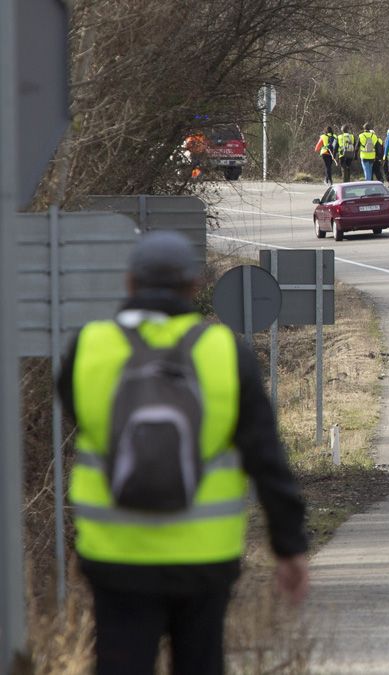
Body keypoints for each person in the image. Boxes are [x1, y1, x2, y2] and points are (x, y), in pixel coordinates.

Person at [58, 232, 309, 675]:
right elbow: (265, 457)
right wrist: (288, 547)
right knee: (201, 662)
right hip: (204, 556)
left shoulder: (87, 348)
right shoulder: (224, 352)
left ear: (129, 284)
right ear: (195, 287)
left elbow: (75, 411)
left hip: (117, 553)